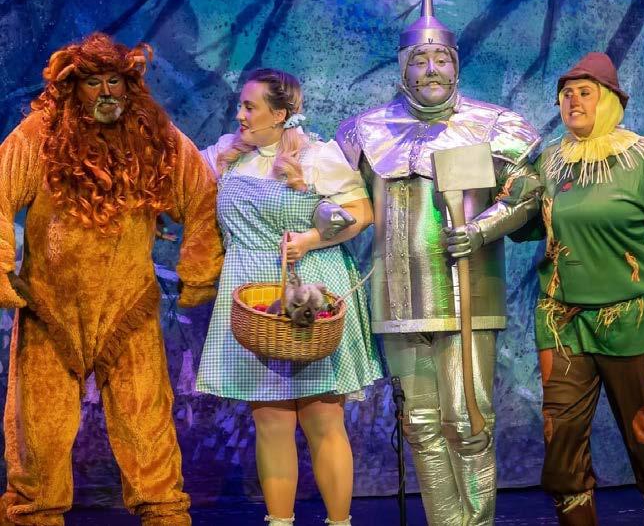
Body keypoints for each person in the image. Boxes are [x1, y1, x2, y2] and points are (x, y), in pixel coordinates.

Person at [335, 0, 542, 526]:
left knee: (469, 421)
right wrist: (325, 215)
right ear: (403, 67)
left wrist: (483, 228)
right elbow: (342, 198)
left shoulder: (493, 125)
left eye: (442, 59)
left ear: (456, 65)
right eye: (420, 59)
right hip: (396, 297)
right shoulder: (365, 131)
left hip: (465, 292)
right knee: (422, 425)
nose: (431, 69)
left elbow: (525, 191)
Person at [0, 33, 224, 525]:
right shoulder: (40, 134)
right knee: (38, 428)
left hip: (129, 306)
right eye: (93, 82)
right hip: (50, 307)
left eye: (115, 81)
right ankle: (34, 515)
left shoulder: (153, 135)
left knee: (146, 422)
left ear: (129, 84)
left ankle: (163, 513)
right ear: (72, 87)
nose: (106, 92)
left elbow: (201, 193)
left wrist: (198, 271)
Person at [528, 51, 644, 525]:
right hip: (562, 323)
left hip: (632, 320)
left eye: (584, 92)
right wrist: (499, 196)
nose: (573, 101)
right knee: (561, 442)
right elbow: (526, 228)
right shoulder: (549, 164)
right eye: (566, 94)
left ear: (608, 100)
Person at [195, 68, 383, 526]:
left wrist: (311, 239)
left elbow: (362, 212)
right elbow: (174, 174)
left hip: (308, 289)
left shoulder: (317, 156)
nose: (240, 115)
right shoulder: (228, 155)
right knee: (271, 421)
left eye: (250, 107)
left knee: (322, 418)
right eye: (241, 105)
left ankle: (339, 523)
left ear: (280, 114)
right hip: (251, 295)